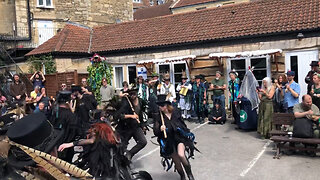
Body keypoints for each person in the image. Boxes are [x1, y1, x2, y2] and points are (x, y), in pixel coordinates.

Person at [153, 94, 195, 180]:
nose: (160, 107)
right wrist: (160, 129)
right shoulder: (158, 117)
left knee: (181, 155)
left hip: (179, 138)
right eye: (159, 106)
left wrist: (186, 133)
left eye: (162, 105)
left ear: (167, 105)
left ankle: (190, 174)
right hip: (168, 141)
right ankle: (182, 175)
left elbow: (182, 124)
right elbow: (155, 132)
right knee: (177, 162)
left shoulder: (175, 112)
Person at [114, 87, 147, 161]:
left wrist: (143, 126)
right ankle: (121, 162)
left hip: (136, 126)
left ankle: (130, 153)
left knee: (143, 142)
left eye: (134, 94)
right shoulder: (126, 102)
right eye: (131, 94)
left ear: (137, 94)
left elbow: (140, 115)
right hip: (126, 127)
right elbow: (119, 116)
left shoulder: (141, 102)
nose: (132, 96)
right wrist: (131, 116)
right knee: (122, 146)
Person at [50, 90, 82, 163]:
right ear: (68, 102)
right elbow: (78, 133)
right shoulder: (72, 116)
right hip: (66, 149)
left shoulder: (53, 113)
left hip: (52, 147)